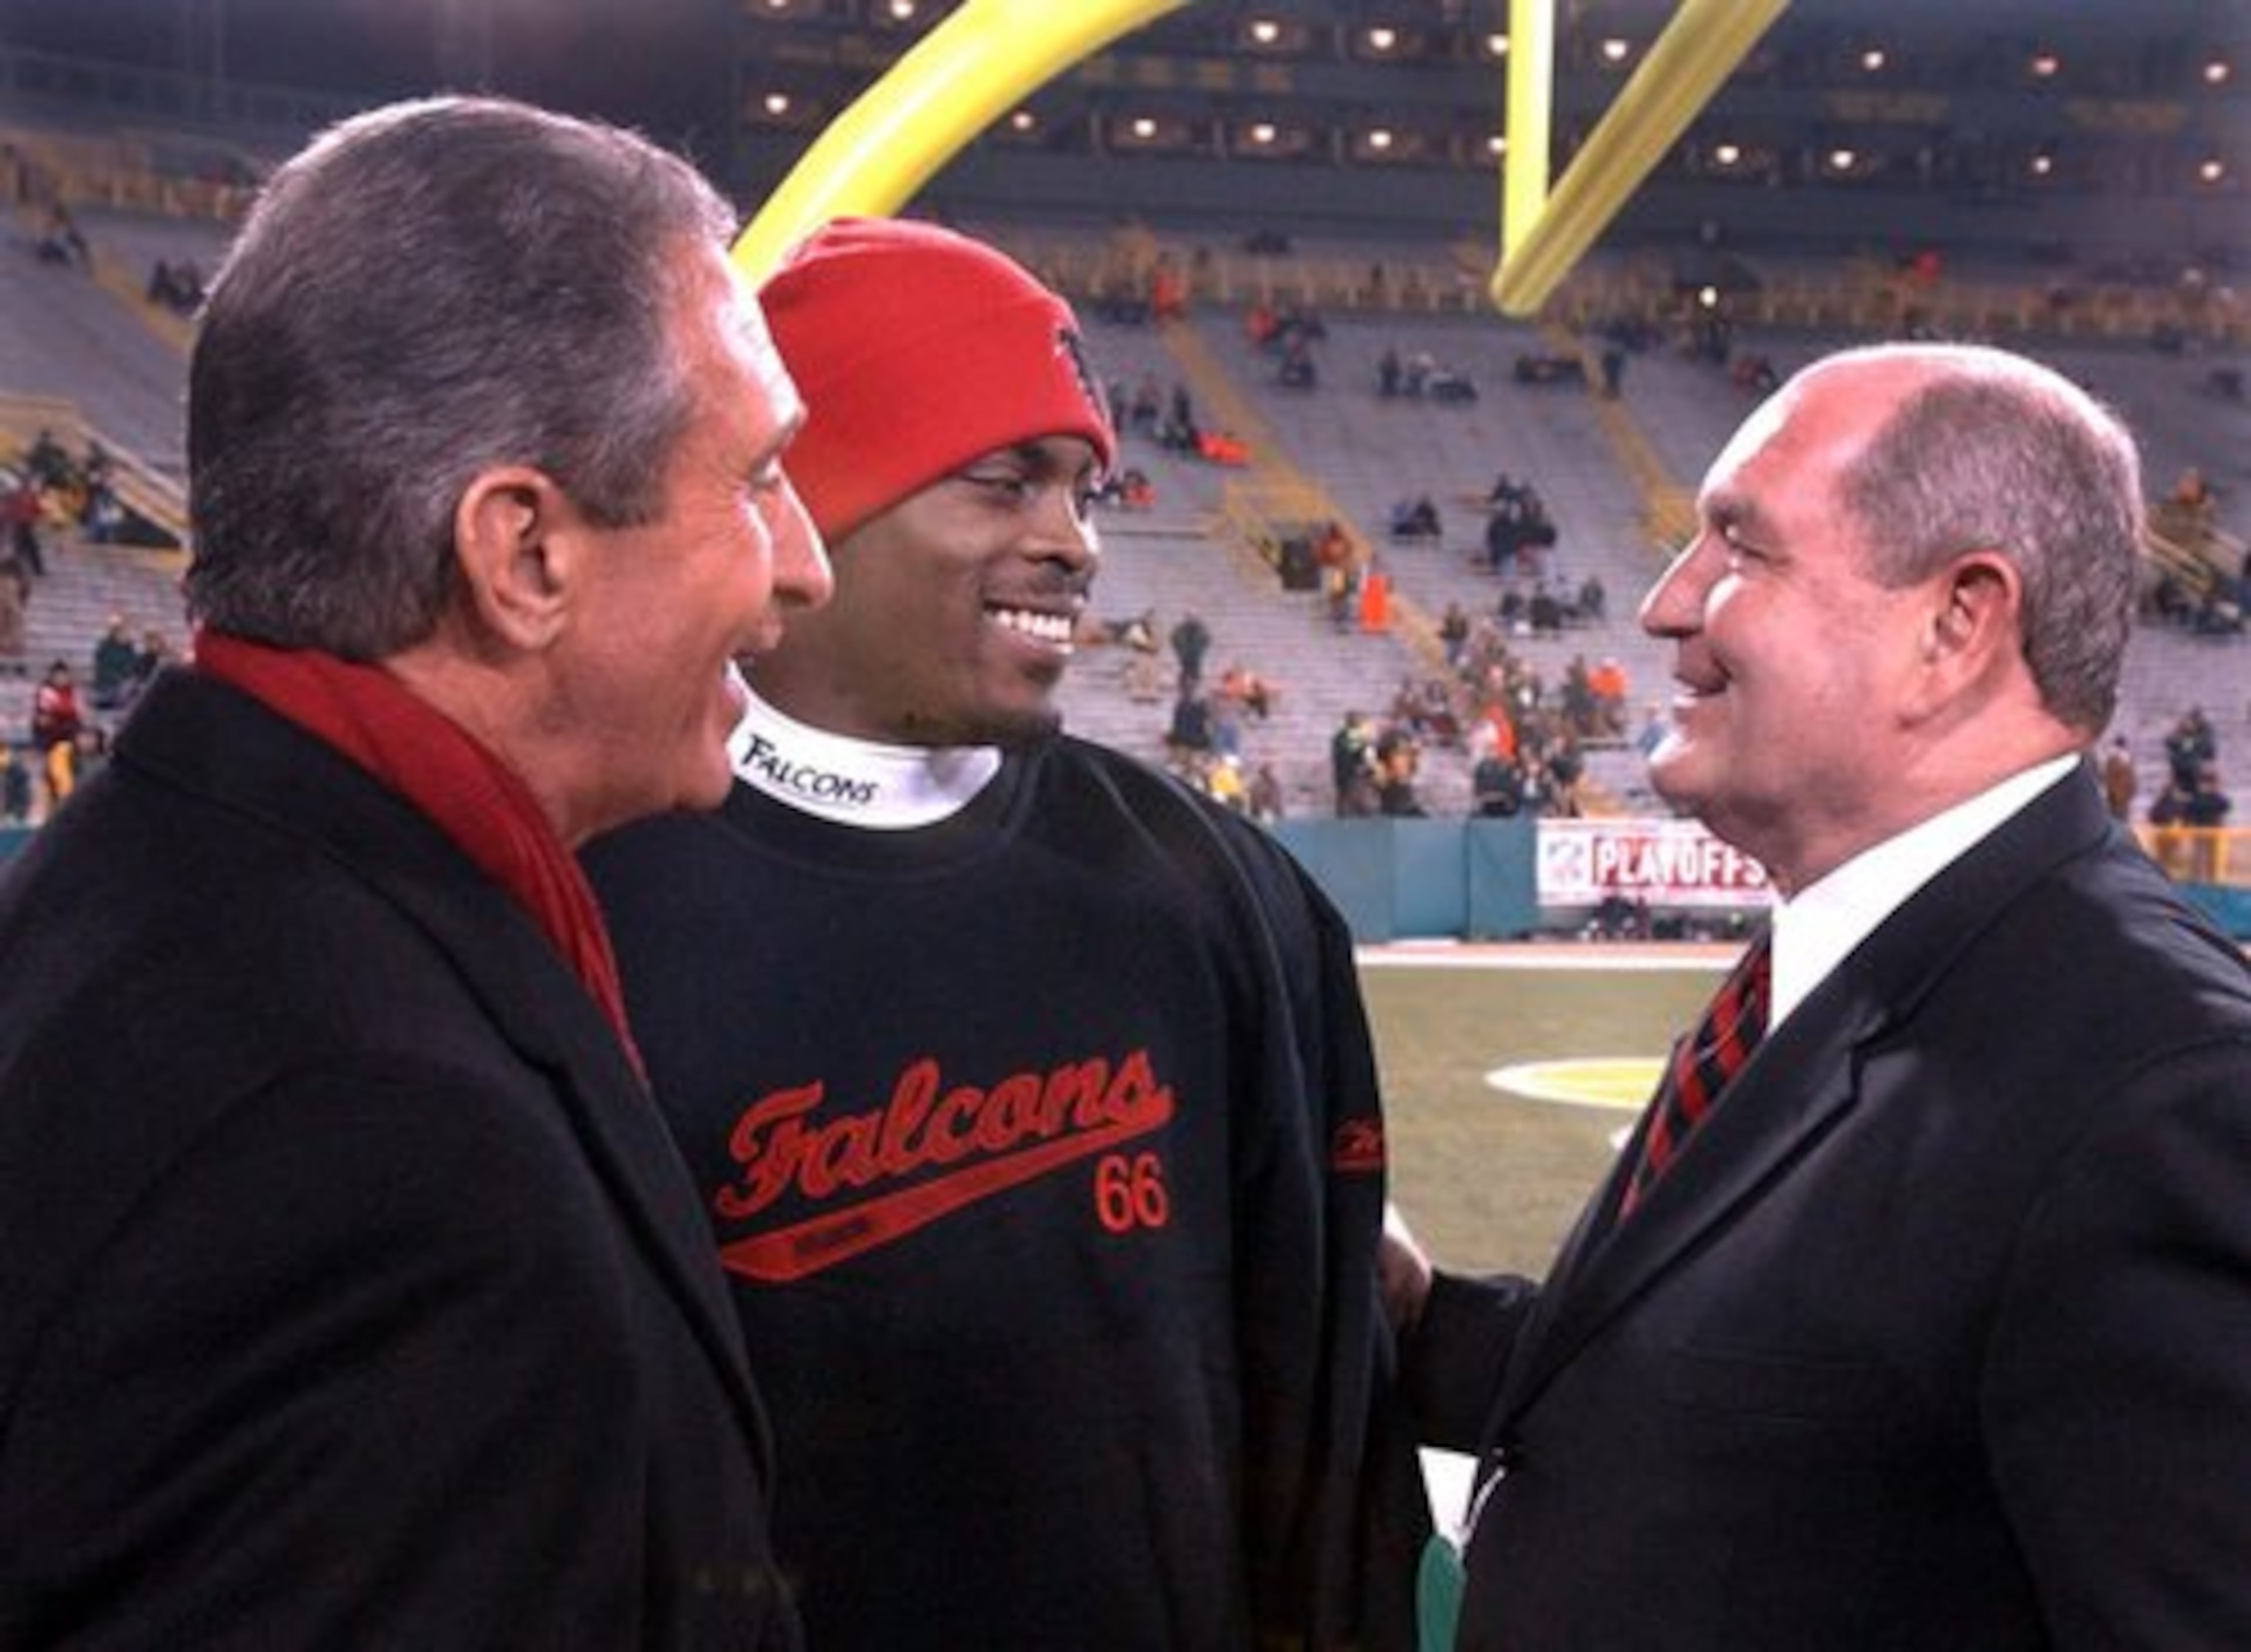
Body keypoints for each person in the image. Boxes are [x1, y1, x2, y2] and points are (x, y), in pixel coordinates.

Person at [0, 96, 830, 1647]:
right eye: (758, 477)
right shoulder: (370, 1135)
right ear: (524, 555)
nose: (804, 561)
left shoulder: (170, 890)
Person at [585, 217, 1423, 1652]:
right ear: (811, 506)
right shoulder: (588, 888)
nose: (1073, 542)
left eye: (1085, 491)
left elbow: (1319, 1410)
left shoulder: (1219, 889)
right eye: (1004, 481)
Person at [1386, 341, 2251, 1648]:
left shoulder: (2166, 1087)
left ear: (1954, 626)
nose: (1667, 605)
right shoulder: (1878, 956)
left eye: (1741, 547)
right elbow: (1788, 1416)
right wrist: (1423, 1323)